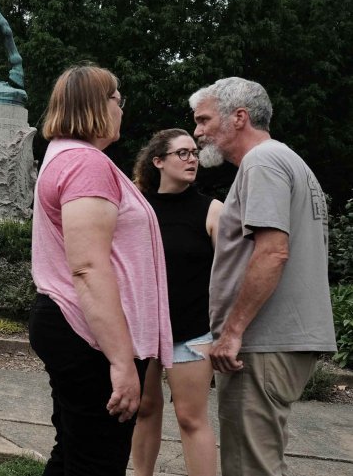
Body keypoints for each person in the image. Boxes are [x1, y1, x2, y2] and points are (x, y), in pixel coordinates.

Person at [30, 65, 173, 475]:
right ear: (97, 105)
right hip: (90, 338)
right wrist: (121, 362)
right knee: (97, 463)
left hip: (78, 331)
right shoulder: (85, 164)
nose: (122, 108)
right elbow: (89, 267)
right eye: (117, 99)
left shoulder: (67, 157)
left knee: (75, 455)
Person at [189, 77, 336, 475]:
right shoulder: (287, 160)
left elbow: (273, 252)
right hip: (279, 341)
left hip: (262, 343)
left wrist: (233, 332)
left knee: (249, 468)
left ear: (239, 117)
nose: (197, 132)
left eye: (203, 120)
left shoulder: (262, 162)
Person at [131, 129, 221, 476]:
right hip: (144, 329)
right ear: (158, 161)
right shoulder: (139, 208)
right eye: (182, 153)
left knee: (190, 417)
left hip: (193, 330)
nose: (192, 159)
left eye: (194, 153)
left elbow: (231, 274)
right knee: (144, 407)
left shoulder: (212, 210)